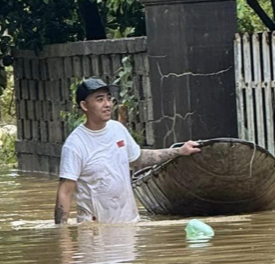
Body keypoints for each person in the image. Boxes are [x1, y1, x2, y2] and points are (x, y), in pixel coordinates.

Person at [55, 78, 200, 224]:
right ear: (84, 105)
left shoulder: (117, 129)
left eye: (109, 99)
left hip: (129, 224)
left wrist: (179, 151)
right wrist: (62, 235)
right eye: (100, 100)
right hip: (95, 231)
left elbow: (138, 158)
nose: (107, 104)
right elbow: (65, 192)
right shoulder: (75, 144)